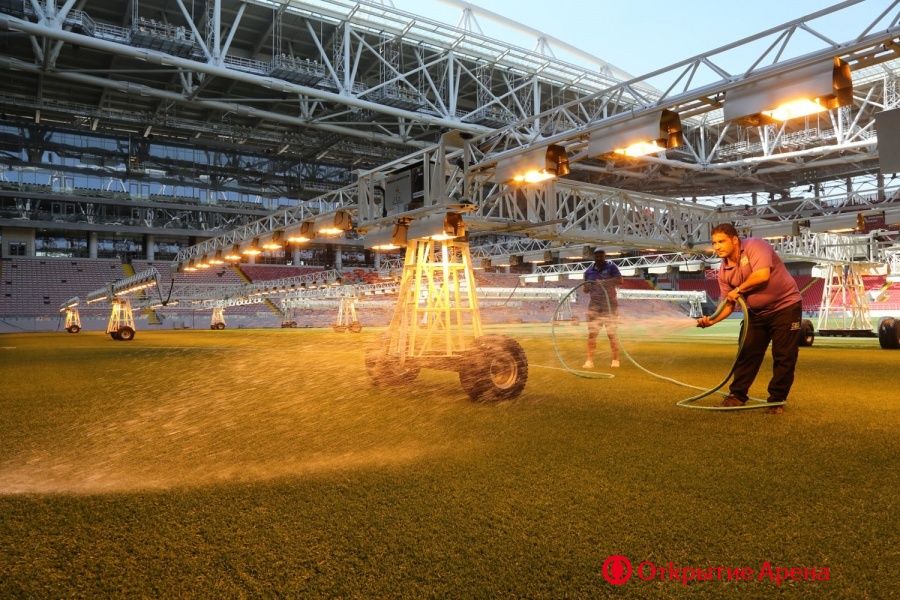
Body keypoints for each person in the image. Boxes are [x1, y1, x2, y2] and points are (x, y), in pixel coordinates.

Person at [696, 223, 803, 414]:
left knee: (784, 355)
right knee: (746, 352)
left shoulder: (756, 246)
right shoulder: (724, 271)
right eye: (714, 243)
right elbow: (728, 303)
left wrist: (738, 289)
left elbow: (762, 275)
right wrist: (711, 321)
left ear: (734, 240)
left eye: (721, 241)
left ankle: (776, 401)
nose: (717, 247)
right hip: (755, 313)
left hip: (785, 307)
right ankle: (737, 396)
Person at [583, 248, 623, 369]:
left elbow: (620, 280)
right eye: (597, 256)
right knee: (592, 334)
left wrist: (605, 282)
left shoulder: (611, 267)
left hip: (610, 305)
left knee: (611, 333)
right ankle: (589, 360)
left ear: (605, 256)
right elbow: (585, 290)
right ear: (594, 257)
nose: (599, 258)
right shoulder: (588, 271)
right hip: (594, 306)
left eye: (601, 256)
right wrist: (587, 286)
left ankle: (615, 359)